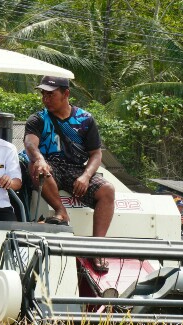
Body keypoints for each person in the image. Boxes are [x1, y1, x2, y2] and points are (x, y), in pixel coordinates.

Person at [24, 75, 115, 273]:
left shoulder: (85, 119)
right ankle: (60, 211)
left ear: (66, 93)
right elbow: (30, 144)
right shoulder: (38, 119)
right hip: (49, 165)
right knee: (38, 169)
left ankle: (98, 249)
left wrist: (86, 176)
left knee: (107, 190)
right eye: (43, 94)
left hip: (75, 168)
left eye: (51, 94)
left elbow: (96, 154)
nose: (45, 98)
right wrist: (39, 160)